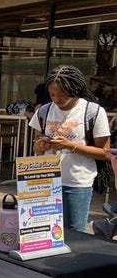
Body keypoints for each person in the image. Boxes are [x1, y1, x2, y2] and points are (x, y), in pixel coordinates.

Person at [29, 64, 110, 232]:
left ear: (75, 91)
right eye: (52, 94)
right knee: (43, 231)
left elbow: (105, 153)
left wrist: (70, 145)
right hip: (45, 180)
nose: (57, 99)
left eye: (63, 95)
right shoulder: (44, 111)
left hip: (77, 182)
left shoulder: (93, 112)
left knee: (73, 233)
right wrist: (40, 145)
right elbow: (36, 147)